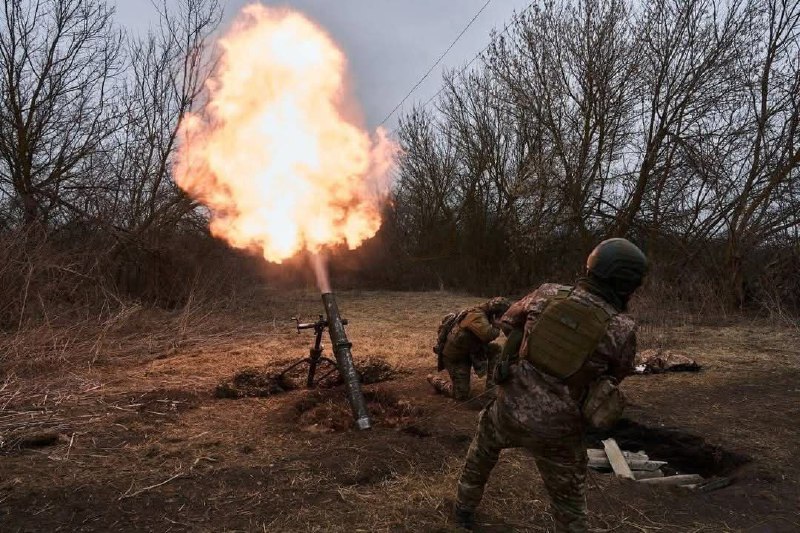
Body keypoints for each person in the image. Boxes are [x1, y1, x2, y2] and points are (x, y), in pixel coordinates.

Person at [453, 238, 648, 532]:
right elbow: (616, 375)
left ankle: (463, 509)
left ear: (592, 266)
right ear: (626, 285)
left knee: (481, 452)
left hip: (509, 411)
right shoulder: (621, 328)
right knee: (569, 505)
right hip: (559, 432)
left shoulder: (547, 294)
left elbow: (508, 323)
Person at [428, 297, 512, 401]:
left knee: (496, 349)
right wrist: (497, 326)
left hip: (471, 351)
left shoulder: (484, 314)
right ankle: (436, 381)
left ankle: (491, 390)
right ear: (496, 314)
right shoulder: (477, 316)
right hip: (456, 358)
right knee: (461, 395)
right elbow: (488, 335)